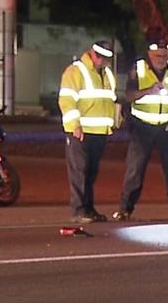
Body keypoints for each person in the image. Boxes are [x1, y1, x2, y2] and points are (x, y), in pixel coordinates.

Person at [112, 27, 168, 221]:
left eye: (164, 55)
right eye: (157, 55)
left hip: (167, 126)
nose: (161, 59)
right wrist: (149, 90)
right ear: (149, 53)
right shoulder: (139, 68)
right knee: (135, 170)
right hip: (142, 127)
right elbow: (129, 95)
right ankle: (125, 209)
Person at [58, 40, 118, 223]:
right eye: (99, 57)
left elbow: (110, 100)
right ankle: (79, 210)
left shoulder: (107, 74)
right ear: (92, 53)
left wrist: (115, 121)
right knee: (79, 172)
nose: (102, 61)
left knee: (91, 173)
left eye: (106, 58)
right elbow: (67, 100)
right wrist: (75, 125)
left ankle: (89, 208)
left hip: (99, 131)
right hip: (80, 131)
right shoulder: (76, 71)